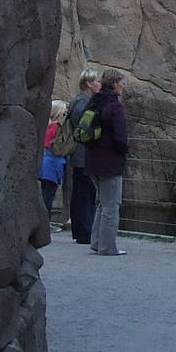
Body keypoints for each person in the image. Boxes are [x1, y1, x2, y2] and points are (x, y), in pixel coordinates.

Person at [86, 70, 130, 256]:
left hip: (92, 158)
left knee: (102, 204)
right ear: (114, 84)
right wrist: (125, 150)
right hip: (110, 161)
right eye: (121, 82)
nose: (123, 86)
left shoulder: (95, 101)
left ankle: (97, 242)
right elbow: (120, 137)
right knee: (111, 205)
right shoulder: (114, 106)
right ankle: (107, 247)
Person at [66, 68, 99, 245]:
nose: (99, 84)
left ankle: (81, 229)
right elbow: (85, 126)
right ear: (88, 83)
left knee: (81, 192)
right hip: (83, 154)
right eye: (96, 81)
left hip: (80, 154)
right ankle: (84, 230)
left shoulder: (78, 100)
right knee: (84, 193)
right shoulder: (83, 102)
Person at [39, 97, 67, 218]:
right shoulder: (56, 127)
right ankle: (45, 222)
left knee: (45, 194)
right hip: (53, 164)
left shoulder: (47, 126)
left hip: (46, 162)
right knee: (49, 196)